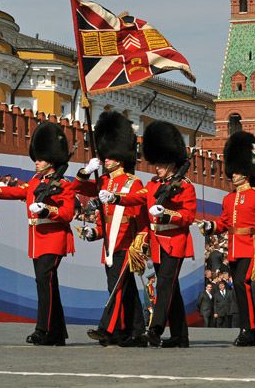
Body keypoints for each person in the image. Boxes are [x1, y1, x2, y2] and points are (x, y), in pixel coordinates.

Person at [103, 120, 196, 348]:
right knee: (171, 289)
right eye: (156, 164)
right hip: (157, 243)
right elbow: (138, 197)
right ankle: (180, 336)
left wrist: (167, 214)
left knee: (164, 285)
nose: (157, 168)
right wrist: (116, 198)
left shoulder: (185, 186)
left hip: (175, 242)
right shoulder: (154, 185)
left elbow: (188, 217)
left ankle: (154, 329)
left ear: (173, 163)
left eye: (162, 164)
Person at [0, 121, 75, 346]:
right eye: (36, 158)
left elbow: (67, 213)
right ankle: (57, 333)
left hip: (54, 240)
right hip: (37, 241)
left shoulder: (64, 184)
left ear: (51, 161)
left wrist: (47, 209)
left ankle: (42, 330)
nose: (37, 162)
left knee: (44, 283)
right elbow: (19, 191)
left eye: (41, 159)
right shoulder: (36, 181)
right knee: (48, 285)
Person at [73, 111, 149, 348]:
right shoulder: (103, 182)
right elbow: (77, 189)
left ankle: (107, 330)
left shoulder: (132, 182)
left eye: (109, 156)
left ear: (120, 157)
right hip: (109, 244)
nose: (106, 160)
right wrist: (86, 171)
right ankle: (134, 332)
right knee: (123, 290)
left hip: (126, 243)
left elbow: (138, 206)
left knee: (116, 288)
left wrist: (116, 197)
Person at [200, 131, 255, 346]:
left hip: (251, 248)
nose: (233, 175)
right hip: (234, 249)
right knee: (238, 288)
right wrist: (210, 227)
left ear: (246, 172)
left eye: (236, 171)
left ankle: (250, 329)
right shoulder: (229, 199)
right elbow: (224, 223)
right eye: (232, 171)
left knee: (241, 283)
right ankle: (248, 330)